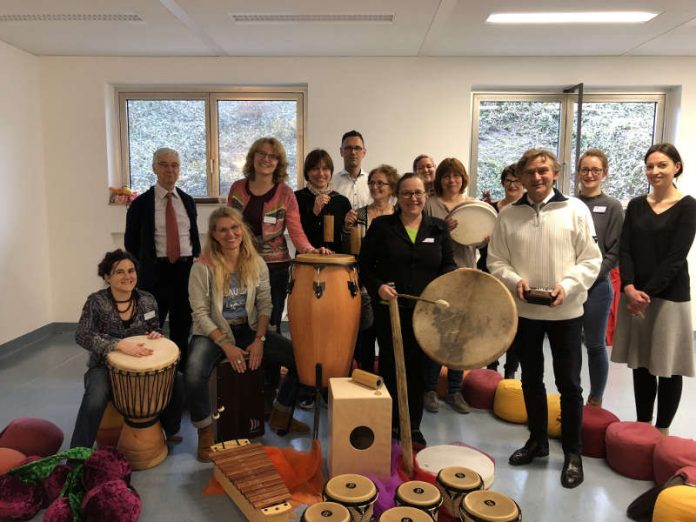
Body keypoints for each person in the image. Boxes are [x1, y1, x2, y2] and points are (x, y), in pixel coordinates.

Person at [487, 148, 601, 489]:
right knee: (531, 379)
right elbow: (496, 261)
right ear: (520, 178)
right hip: (525, 312)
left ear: (554, 174)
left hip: (566, 313)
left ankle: (572, 454)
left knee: (569, 385)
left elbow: (591, 260)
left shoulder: (575, 210)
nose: (536, 177)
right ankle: (537, 441)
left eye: (543, 171)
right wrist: (513, 281)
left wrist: (567, 286)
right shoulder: (508, 216)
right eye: (530, 172)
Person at [186, 207, 309, 461]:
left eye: (234, 228)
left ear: (242, 230)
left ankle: (280, 413)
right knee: (193, 373)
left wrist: (260, 339)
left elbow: (265, 304)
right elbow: (199, 313)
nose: (230, 234)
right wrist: (226, 346)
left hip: (248, 328)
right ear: (214, 235)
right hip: (212, 332)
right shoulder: (202, 266)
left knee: (301, 360)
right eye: (223, 230)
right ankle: (205, 432)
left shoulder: (256, 263)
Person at [360, 173, 456, 447]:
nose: (413, 198)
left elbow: (448, 266)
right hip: (389, 308)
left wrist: (441, 290)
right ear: (397, 197)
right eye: (406, 193)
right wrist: (377, 287)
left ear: (425, 195)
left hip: (424, 313)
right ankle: (391, 422)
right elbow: (365, 265)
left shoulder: (438, 228)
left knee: (418, 369)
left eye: (418, 193)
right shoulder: (381, 226)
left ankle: (412, 425)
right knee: (390, 365)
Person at [611, 143, 696, 435]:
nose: (655, 171)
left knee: (668, 366)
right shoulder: (636, 205)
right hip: (635, 295)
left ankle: (662, 431)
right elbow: (626, 250)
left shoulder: (688, 205)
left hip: (669, 297)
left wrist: (645, 295)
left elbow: (676, 256)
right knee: (642, 362)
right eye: (650, 166)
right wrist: (630, 287)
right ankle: (643, 424)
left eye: (662, 165)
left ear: (677, 167)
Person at [70, 249, 178, 448]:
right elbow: (82, 335)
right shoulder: (96, 301)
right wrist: (118, 345)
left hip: (141, 365)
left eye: (131, 271)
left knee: (176, 378)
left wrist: (155, 335)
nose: (127, 276)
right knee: (94, 397)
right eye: (119, 272)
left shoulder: (147, 300)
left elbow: (154, 328)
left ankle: (170, 430)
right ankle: (76, 456)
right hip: (104, 366)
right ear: (107, 277)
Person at [226, 137, 329, 335]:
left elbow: (296, 230)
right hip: (241, 265)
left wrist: (311, 250)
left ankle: (272, 365)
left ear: (278, 162)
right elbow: (228, 225)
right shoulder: (237, 188)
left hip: (275, 269)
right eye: (262, 154)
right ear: (252, 157)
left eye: (273, 156)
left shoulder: (285, 193)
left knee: (271, 325)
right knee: (241, 322)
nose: (266, 159)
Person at [125, 148, 200, 366]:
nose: (170, 170)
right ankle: (154, 368)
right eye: (164, 164)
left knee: (182, 324)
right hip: (155, 273)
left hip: (184, 272)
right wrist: (141, 270)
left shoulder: (187, 200)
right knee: (151, 325)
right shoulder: (140, 204)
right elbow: (131, 243)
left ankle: (181, 370)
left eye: (174, 165)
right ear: (154, 168)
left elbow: (192, 235)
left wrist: (197, 257)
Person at [422, 158, 476, 415]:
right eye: (446, 176)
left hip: (466, 275)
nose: (452, 180)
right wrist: (444, 230)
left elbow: (477, 242)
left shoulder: (474, 206)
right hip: (438, 276)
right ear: (439, 179)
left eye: (456, 176)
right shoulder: (429, 204)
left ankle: (455, 390)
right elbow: (423, 238)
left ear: (463, 178)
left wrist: (484, 238)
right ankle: (430, 389)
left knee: (460, 335)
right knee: (438, 333)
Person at [576, 149, 624, 408]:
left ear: (604, 173)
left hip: (597, 287)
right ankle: (571, 397)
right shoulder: (569, 205)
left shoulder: (613, 206)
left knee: (594, 345)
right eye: (585, 169)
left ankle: (595, 399)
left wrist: (590, 276)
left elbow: (615, 251)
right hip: (571, 287)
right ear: (578, 172)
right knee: (570, 346)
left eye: (595, 170)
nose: (590, 174)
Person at [343, 165, 399, 373]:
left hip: (392, 284)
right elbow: (349, 250)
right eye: (372, 182)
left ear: (392, 187)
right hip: (365, 282)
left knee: (388, 337)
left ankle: (386, 381)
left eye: (380, 183)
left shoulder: (399, 214)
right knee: (365, 334)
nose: (375, 187)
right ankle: (364, 376)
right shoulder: (358, 214)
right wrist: (346, 229)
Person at [480, 164, 524, 378]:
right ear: (503, 183)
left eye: (516, 181)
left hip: (517, 273)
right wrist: (483, 241)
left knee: (514, 325)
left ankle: (510, 371)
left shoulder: (526, 211)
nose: (512, 185)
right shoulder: (491, 209)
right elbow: (478, 241)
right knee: (492, 322)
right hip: (490, 272)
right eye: (508, 180)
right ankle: (491, 367)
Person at [295, 149, 352, 253]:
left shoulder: (342, 201)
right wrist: (314, 212)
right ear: (307, 172)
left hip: (335, 261)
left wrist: (348, 226)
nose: (321, 173)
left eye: (325, 169)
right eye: (315, 169)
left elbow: (348, 240)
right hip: (307, 260)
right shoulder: (296, 198)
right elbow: (296, 233)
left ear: (331, 172)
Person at [333, 130, 371, 209]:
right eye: (348, 148)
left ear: (364, 152)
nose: (353, 152)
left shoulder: (372, 183)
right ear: (341, 151)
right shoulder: (331, 183)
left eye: (357, 148)